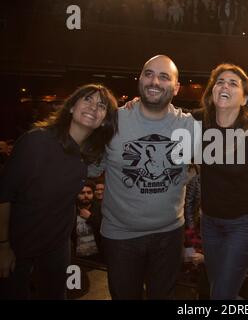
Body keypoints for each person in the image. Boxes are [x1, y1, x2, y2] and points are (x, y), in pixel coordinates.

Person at [89, 55, 198, 300]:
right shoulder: (113, 120)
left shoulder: (190, 126)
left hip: (170, 235)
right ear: (140, 79)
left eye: (163, 76)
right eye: (148, 74)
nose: (154, 82)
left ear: (176, 87)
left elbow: (230, 131)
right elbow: (90, 168)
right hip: (121, 237)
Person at [0, 83, 118, 299]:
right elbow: (3, 195)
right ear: (72, 107)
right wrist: (3, 246)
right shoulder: (37, 141)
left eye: (101, 106)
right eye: (88, 100)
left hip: (58, 245)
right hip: (18, 243)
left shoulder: (92, 155)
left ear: (103, 120)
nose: (94, 107)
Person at [194, 63, 248, 299]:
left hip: (245, 222)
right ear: (212, 92)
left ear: (245, 98)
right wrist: (135, 104)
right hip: (210, 222)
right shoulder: (198, 122)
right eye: (219, 81)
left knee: (221, 294)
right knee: (219, 286)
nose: (224, 85)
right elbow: (162, 114)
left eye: (233, 83)